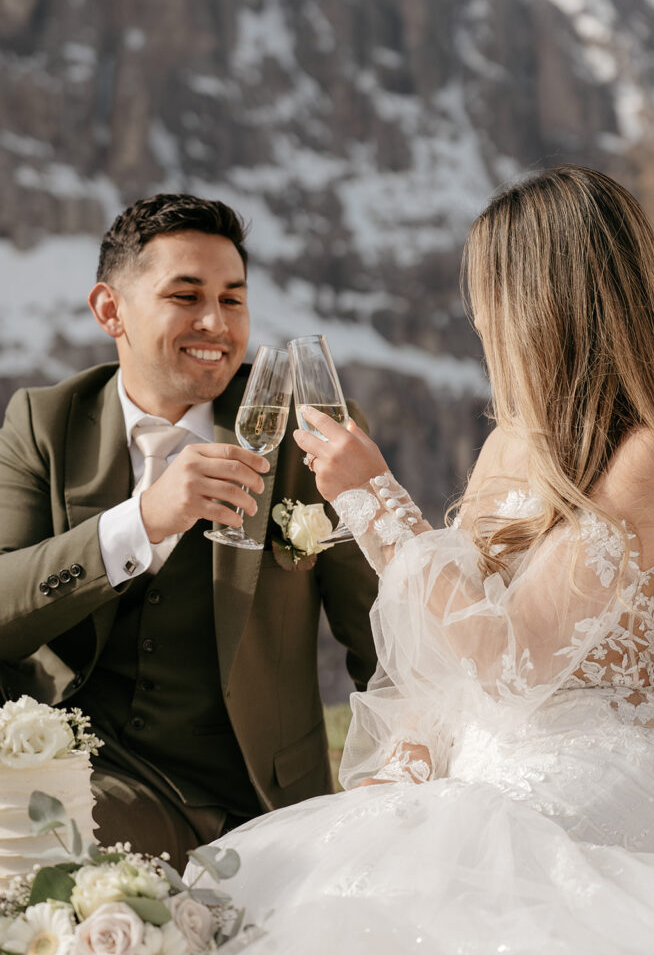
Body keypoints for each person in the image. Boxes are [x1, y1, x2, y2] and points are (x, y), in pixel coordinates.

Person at [189, 167, 654, 953]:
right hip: (482, 764)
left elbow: (512, 658)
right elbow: (446, 655)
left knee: (439, 872)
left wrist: (374, 502)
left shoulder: (648, 456)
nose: (479, 320)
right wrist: (408, 761)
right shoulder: (505, 445)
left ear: (543, 300)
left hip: (595, 770)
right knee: (335, 861)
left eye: (489, 295)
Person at [0, 194, 378, 870]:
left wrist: (395, 786)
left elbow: (378, 632)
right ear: (109, 310)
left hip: (249, 796)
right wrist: (139, 523)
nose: (215, 322)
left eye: (233, 299)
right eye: (186, 295)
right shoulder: (44, 424)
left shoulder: (303, 433)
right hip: (82, 767)